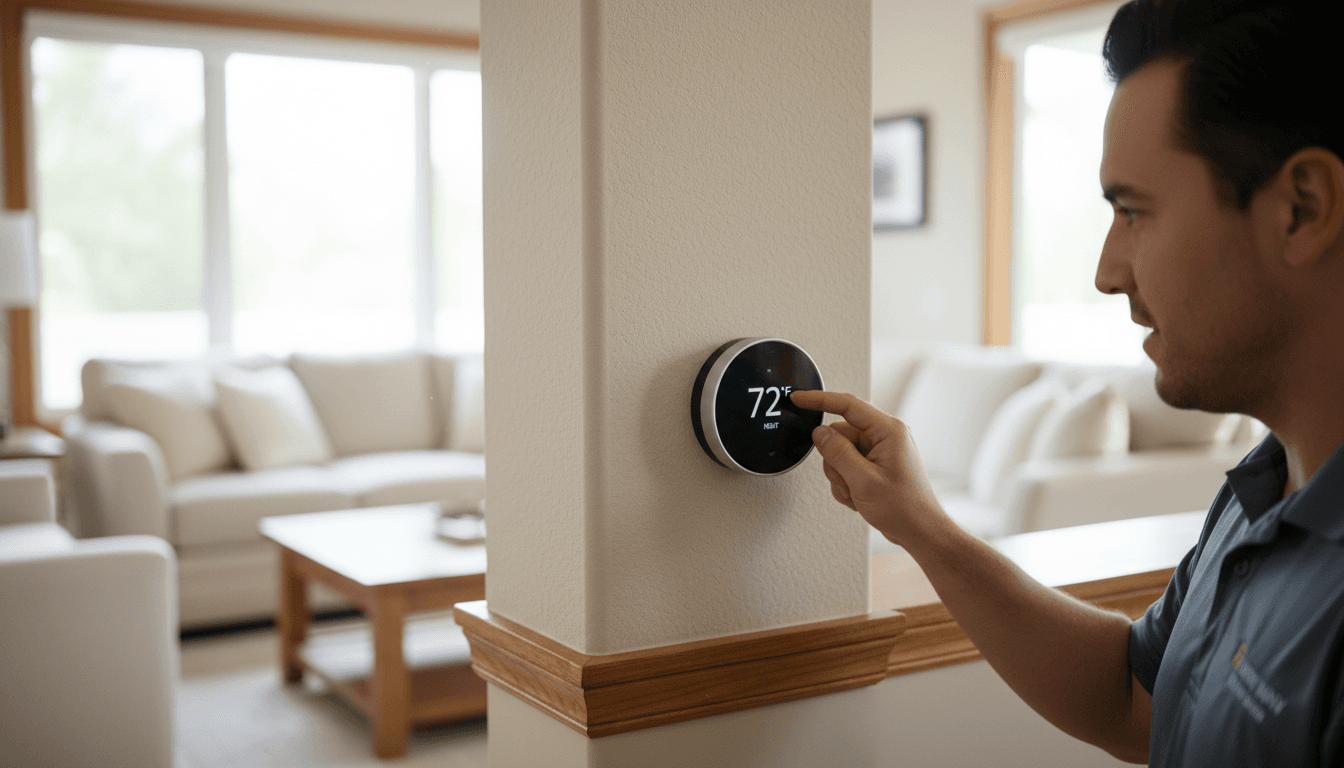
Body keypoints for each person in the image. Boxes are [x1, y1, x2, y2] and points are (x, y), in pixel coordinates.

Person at [792, 0, 1344, 765]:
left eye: (1134, 211)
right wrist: (919, 522)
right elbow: (1134, 697)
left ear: (1301, 209)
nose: (1107, 273)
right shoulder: (1265, 485)